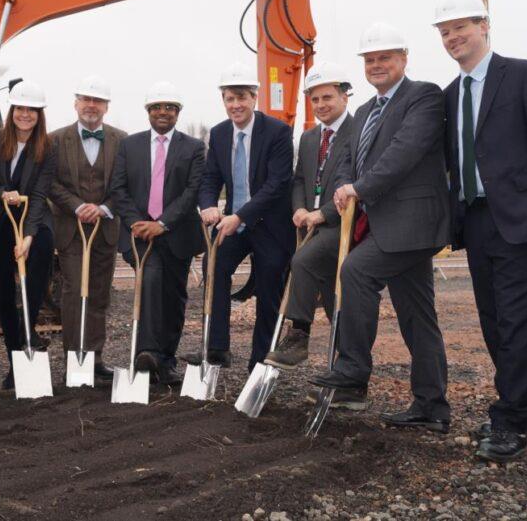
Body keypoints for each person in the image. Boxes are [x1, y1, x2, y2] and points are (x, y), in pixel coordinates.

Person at [435, 0, 527, 461]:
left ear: (484, 25)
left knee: (519, 322)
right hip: (476, 222)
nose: (453, 36)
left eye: (461, 27)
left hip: (525, 221)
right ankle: (518, 402)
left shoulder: (526, 75)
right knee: (494, 322)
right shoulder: (451, 95)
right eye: (445, 31)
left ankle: (511, 420)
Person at [309, 23, 451, 431]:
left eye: (384, 58)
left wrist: (360, 187)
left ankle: (353, 367)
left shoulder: (423, 96)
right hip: (383, 225)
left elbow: (403, 153)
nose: (377, 65)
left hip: (414, 223)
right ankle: (432, 407)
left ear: (403, 59)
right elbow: (351, 160)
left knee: (356, 271)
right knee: (417, 315)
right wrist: (342, 187)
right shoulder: (368, 111)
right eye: (370, 60)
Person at [197, 63, 295, 371]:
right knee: (214, 265)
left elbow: (277, 184)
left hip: (270, 225)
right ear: (223, 100)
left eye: (242, 97)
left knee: (270, 286)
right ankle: (216, 348)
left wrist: (239, 216)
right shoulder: (220, 133)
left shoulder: (278, 131)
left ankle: (260, 360)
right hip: (233, 224)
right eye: (229, 98)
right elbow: (210, 177)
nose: (236, 104)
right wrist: (209, 204)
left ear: (254, 98)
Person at [109, 82, 206, 385]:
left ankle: (166, 360)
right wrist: (138, 222)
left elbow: (192, 192)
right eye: (157, 107)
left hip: (176, 233)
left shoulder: (194, 147)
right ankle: (147, 352)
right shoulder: (129, 145)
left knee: (174, 297)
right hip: (139, 235)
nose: (163, 112)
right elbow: (118, 188)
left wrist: (162, 223)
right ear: (148, 111)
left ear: (178, 113)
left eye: (170, 108)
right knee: (150, 280)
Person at [265, 65, 353, 380]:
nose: (321, 105)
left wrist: (324, 212)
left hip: (343, 224)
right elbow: (300, 178)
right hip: (311, 224)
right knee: (333, 299)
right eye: (315, 99)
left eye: (327, 97)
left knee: (302, 261)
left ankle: (299, 335)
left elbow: (356, 180)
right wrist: (300, 208)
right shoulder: (309, 136)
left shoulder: (358, 131)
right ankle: (348, 374)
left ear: (345, 95)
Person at [0, 80, 56, 391]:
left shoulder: (46, 149)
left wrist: (30, 235)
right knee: (5, 293)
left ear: (39, 115)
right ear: (12, 111)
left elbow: (39, 193)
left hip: (32, 222)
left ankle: (28, 335)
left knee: (35, 278)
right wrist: (2, 193)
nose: (25, 115)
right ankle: (13, 360)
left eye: (31, 110)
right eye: (20, 108)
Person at [49, 75, 127, 383]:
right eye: (86, 99)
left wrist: (105, 207)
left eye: (97, 101)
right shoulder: (56, 139)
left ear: (106, 106)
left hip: (105, 228)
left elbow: (126, 182)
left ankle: (94, 358)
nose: (91, 105)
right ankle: (73, 358)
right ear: (76, 103)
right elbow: (50, 182)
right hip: (71, 228)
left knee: (98, 293)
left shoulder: (122, 140)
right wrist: (76, 206)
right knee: (73, 292)